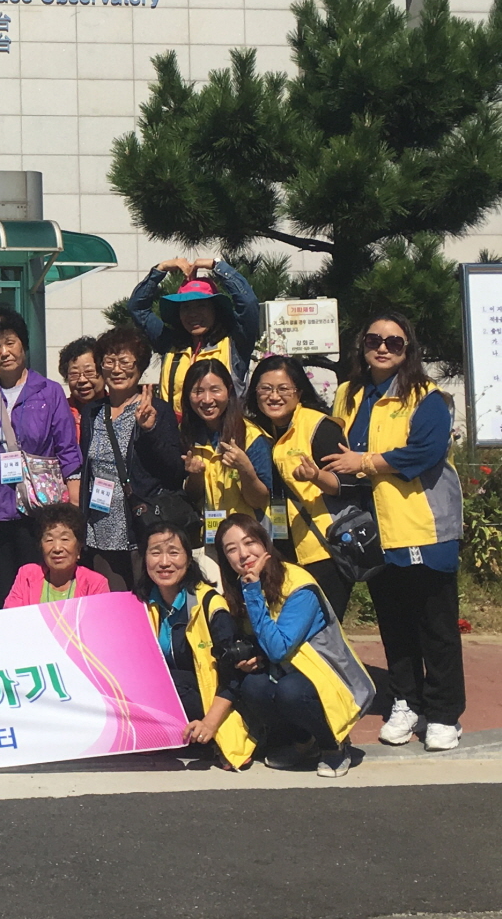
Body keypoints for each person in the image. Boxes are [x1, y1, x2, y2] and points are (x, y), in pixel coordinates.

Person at [327, 313, 465, 752]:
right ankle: (406, 701)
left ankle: (443, 714)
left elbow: (424, 452)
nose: (383, 347)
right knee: (394, 622)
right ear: (362, 345)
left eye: (394, 342)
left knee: (435, 625)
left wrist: (364, 462)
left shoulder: (428, 397)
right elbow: (336, 450)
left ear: (409, 350)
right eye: (374, 339)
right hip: (373, 531)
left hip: (422, 527)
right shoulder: (348, 394)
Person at [218, 513, 374, 778]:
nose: (243, 554)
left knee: (290, 691)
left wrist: (253, 592)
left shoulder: (298, 584)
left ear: (265, 543)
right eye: (231, 549)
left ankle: (333, 745)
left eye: (249, 542)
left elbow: (279, 648)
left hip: (329, 677)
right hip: (286, 670)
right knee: (253, 686)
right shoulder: (240, 586)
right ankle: (303, 742)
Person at [0, 307, 83, 611]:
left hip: (40, 510)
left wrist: (72, 503)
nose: (4, 352)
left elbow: (67, 448)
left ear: (24, 344)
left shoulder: (50, 392)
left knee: (39, 591)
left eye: (10, 342)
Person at [138, 523, 256, 769]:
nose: (164, 562)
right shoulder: (139, 604)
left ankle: (211, 735)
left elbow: (233, 677)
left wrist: (210, 724)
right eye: (155, 552)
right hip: (172, 697)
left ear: (188, 559)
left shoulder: (211, 604)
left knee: (173, 681)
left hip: (212, 699)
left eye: (173, 552)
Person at [246, 355, 353, 618]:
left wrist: (316, 476)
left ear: (299, 392)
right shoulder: (258, 432)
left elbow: (351, 484)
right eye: (265, 389)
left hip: (324, 549)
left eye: (283, 389)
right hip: (283, 550)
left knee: (323, 630)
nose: (274, 396)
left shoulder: (320, 427)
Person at [79, 327, 184, 591]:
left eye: (125, 362)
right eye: (109, 361)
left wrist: (149, 430)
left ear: (140, 366)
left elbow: (173, 470)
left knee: (146, 601)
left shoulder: (157, 409)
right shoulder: (92, 412)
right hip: (100, 528)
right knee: (110, 602)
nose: (117, 370)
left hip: (141, 527)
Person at [180, 359, 272, 579]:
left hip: (248, 543)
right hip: (210, 543)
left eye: (215, 390)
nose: (207, 399)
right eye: (198, 391)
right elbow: (192, 497)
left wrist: (245, 469)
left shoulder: (250, 436)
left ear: (229, 391)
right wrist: (195, 477)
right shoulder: (186, 434)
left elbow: (259, 500)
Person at [128, 257, 260, 405]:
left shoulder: (235, 343)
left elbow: (249, 304)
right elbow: (137, 308)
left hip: (225, 420)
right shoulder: (169, 343)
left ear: (216, 310)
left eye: (201, 306)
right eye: (186, 307)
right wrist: (161, 268)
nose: (193, 314)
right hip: (175, 421)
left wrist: (216, 265)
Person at [4, 502, 111, 607]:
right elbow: (11, 615)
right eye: (49, 540)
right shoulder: (27, 575)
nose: (57, 548)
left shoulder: (95, 584)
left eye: (65, 539)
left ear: (79, 547)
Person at [58, 336, 104, 436]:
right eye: (74, 374)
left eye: (89, 372)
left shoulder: (117, 409)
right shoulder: (59, 412)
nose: (82, 380)